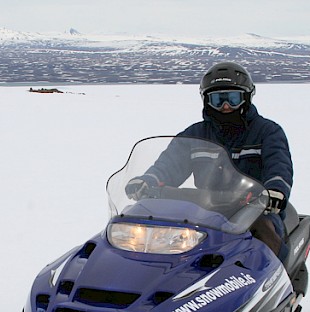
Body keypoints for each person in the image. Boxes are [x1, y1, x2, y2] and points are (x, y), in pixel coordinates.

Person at [125, 62, 293, 261]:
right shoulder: (195, 135)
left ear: (246, 98)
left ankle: (278, 281)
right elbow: (169, 165)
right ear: (206, 100)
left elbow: (279, 165)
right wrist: (149, 180)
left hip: (254, 209)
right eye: (218, 99)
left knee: (263, 236)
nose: (226, 106)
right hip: (204, 207)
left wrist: (275, 191)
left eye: (233, 98)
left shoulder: (267, 132)